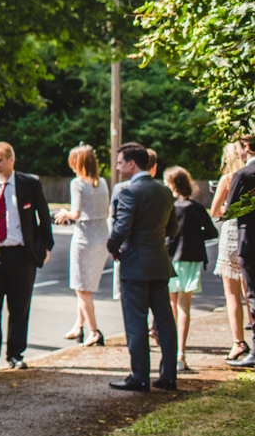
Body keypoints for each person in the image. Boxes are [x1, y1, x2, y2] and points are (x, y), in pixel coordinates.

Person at [0, 141, 55, 371]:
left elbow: (43, 216)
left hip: (21, 254)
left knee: (19, 308)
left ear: (11, 160)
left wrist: (44, 247)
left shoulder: (29, 183)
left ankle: (15, 355)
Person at [107, 142, 180, 391]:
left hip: (134, 265)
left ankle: (139, 377)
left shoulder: (129, 192)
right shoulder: (164, 191)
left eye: (119, 163)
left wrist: (112, 247)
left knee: (136, 321)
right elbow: (173, 228)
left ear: (131, 164)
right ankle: (169, 376)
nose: (117, 167)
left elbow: (121, 227)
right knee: (165, 321)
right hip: (159, 262)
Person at [54, 144, 110, 346]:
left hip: (85, 237)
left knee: (81, 288)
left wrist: (63, 213)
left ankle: (93, 331)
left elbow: (76, 213)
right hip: (102, 236)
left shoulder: (77, 183)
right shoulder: (102, 182)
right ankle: (78, 326)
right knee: (85, 284)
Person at [164, 166, 213, 373]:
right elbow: (211, 231)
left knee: (171, 308)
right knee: (184, 309)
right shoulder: (196, 207)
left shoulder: (171, 207)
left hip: (170, 259)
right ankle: (180, 355)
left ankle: (171, 353)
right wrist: (194, 238)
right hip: (191, 259)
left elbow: (166, 234)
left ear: (171, 184)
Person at [210, 139, 251, 362]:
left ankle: (238, 342)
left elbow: (216, 210)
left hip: (232, 233)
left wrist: (232, 204)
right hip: (248, 233)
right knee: (248, 290)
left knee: (232, 292)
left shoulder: (229, 178)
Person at [221, 134, 255, 368]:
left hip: (250, 241)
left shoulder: (243, 175)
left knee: (252, 295)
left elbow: (231, 210)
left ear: (246, 147)